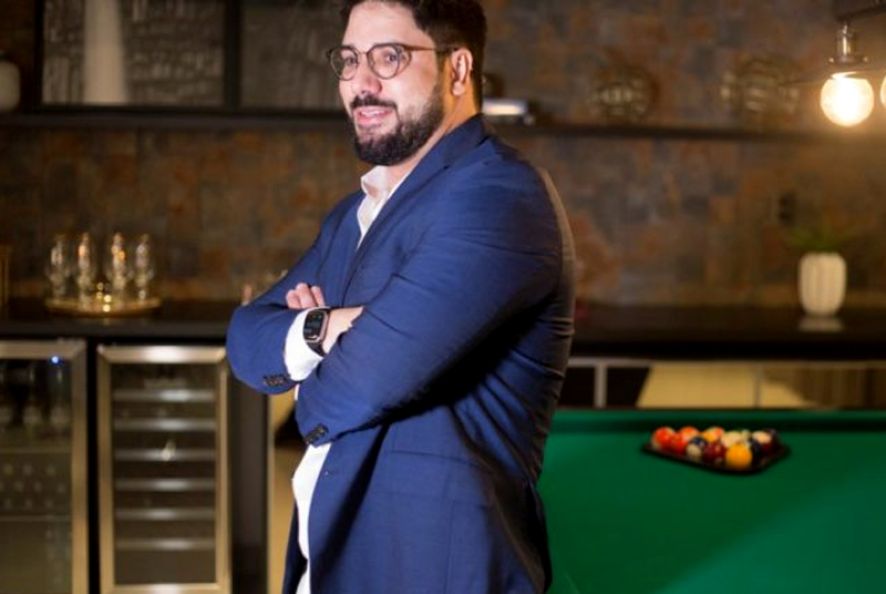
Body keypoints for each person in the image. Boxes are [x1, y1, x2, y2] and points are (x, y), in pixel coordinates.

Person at [226, 1, 575, 592]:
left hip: (431, 570)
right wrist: (327, 328)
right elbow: (244, 340)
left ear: (457, 70)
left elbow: (345, 392)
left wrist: (312, 369)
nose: (361, 83)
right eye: (349, 59)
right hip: (335, 559)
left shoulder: (499, 197)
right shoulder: (354, 214)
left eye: (389, 57)